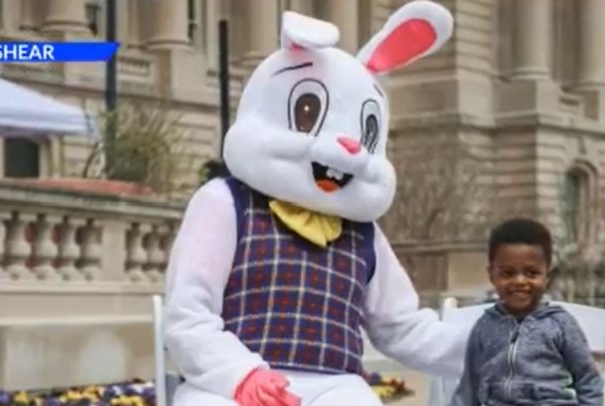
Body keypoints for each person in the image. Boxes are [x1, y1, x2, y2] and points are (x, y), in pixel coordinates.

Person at [162, 3, 469, 406]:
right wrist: (240, 375)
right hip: (233, 382)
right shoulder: (225, 203)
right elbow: (189, 312)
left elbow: (402, 325)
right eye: (307, 112)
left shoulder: (363, 234)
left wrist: (497, 353)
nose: (347, 148)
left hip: (334, 386)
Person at [449, 218, 604, 406]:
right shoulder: (484, 326)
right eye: (508, 273)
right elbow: (469, 386)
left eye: (531, 273)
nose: (520, 281)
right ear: (492, 275)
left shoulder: (560, 324)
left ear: (548, 276)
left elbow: (588, 379)